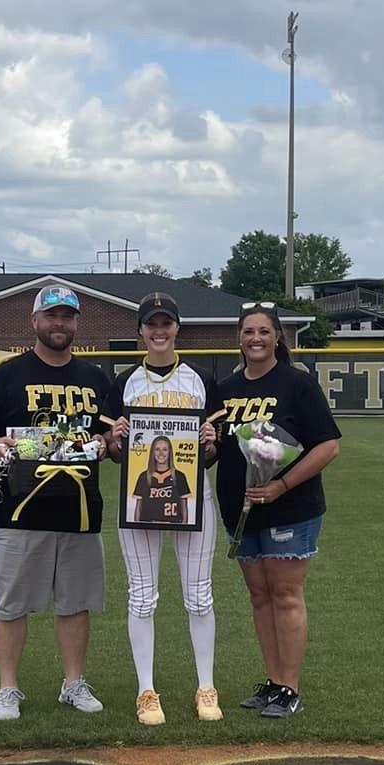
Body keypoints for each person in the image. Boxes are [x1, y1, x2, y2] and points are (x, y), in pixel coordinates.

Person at [0, 286, 106, 721]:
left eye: (67, 316)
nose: (59, 324)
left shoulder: (96, 379)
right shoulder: (8, 375)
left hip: (80, 507)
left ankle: (73, 683)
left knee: (76, 602)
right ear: (34, 321)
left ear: (76, 323)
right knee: (11, 604)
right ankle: (8, 688)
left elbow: (111, 439)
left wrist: (106, 441)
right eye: (52, 316)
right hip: (18, 509)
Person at [211, 302, 340, 718]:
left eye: (264, 331)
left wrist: (282, 484)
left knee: (285, 594)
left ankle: (290, 686)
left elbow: (327, 445)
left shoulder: (296, 384)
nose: (255, 339)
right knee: (259, 596)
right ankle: (271, 682)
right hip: (241, 508)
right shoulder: (226, 388)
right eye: (248, 331)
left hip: (291, 507)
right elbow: (217, 448)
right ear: (239, 338)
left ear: (277, 336)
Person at [104, 290, 222, 726]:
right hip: (139, 500)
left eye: (166, 323)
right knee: (141, 596)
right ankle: (145, 691)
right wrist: (115, 438)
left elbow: (211, 454)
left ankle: (206, 686)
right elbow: (116, 453)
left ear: (177, 329)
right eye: (151, 324)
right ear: (140, 331)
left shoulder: (199, 379)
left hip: (191, 497)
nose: (159, 331)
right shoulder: (123, 383)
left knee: (198, 594)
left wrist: (211, 444)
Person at [127, 435, 193, 527]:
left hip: (174, 524)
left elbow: (184, 506)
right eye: (157, 449)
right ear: (152, 452)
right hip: (148, 525)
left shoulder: (179, 476)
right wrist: (137, 526)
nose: (161, 453)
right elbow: (138, 507)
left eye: (165, 449)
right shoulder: (144, 476)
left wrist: (184, 525)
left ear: (170, 452)